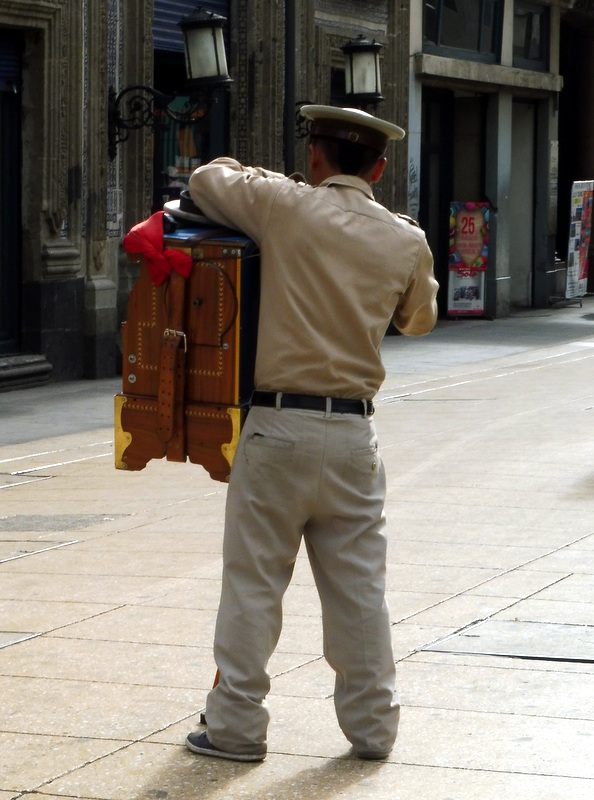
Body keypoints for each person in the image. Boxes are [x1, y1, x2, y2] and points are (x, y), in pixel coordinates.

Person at [184, 104, 438, 763]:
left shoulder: (284, 205)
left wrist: (266, 175)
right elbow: (418, 321)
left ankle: (235, 729)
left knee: (253, 585)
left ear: (316, 157)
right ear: (379, 169)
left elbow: (206, 179)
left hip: (277, 428)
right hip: (354, 436)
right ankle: (374, 731)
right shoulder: (406, 239)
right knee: (359, 592)